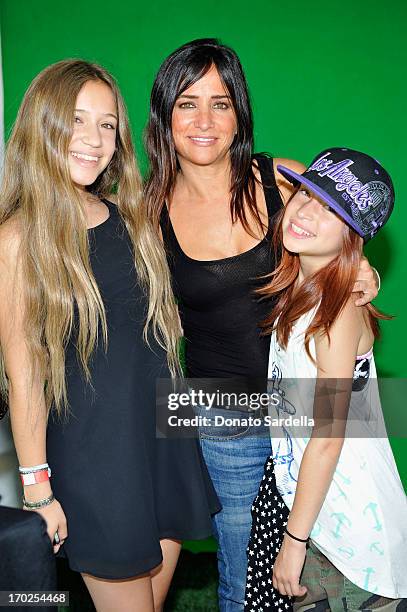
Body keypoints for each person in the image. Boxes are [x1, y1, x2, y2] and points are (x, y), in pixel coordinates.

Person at [144, 38, 380, 611]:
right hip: (226, 415)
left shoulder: (283, 180)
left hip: (306, 402)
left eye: (221, 103)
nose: (205, 120)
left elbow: (347, 247)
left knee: (331, 558)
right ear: (165, 116)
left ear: (239, 112)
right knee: (244, 565)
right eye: (188, 103)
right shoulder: (149, 210)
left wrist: (366, 275)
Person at [0, 59, 220, 612]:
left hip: (162, 443)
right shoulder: (18, 240)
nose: (94, 140)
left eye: (106, 124)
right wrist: (37, 489)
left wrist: (356, 269)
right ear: (42, 125)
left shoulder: (131, 217)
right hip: (97, 464)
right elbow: (25, 377)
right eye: (77, 120)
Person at [245, 148, 407, 611]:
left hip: (354, 540)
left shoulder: (338, 309)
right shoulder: (301, 285)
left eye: (332, 211)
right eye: (307, 195)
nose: (306, 211)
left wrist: (293, 543)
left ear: (353, 238)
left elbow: (327, 439)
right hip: (319, 514)